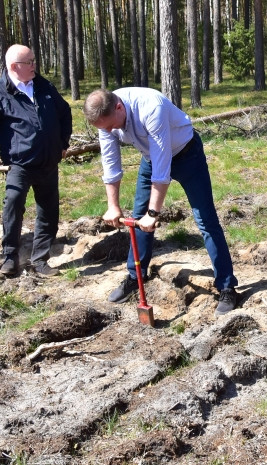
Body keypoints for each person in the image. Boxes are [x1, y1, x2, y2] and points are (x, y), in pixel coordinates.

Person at [83, 88, 239, 314]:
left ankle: (227, 287)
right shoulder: (105, 116)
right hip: (150, 157)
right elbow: (111, 163)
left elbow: (162, 168)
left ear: (118, 107)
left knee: (205, 219)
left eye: (108, 126)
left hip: (187, 155)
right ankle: (135, 277)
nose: (107, 131)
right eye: (103, 128)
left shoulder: (150, 107)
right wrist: (113, 206)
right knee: (138, 217)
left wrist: (153, 214)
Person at [0, 45, 72, 277]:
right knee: (12, 207)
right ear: (14, 67)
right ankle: (10, 257)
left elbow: (64, 111)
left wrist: (63, 143)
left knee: (49, 212)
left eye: (34, 60)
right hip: (20, 164)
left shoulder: (43, 85)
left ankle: (40, 260)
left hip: (49, 162)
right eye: (29, 62)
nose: (34, 65)